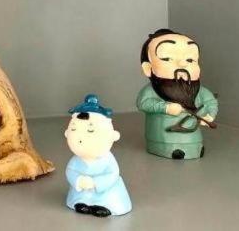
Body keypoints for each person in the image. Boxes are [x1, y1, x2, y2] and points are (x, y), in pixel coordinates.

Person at [137, 28, 218, 159]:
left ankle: (195, 147)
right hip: (161, 137)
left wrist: (210, 114)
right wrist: (165, 107)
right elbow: (143, 103)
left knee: (194, 146)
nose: (182, 64)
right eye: (167, 58)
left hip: (193, 136)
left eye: (190, 60)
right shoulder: (151, 90)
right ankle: (167, 149)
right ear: (148, 68)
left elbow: (210, 101)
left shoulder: (199, 91)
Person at [64, 94, 132, 217]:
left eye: (90, 130)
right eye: (74, 129)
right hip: (82, 192)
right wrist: (79, 181)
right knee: (80, 197)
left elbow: (112, 174)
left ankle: (104, 206)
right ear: (67, 133)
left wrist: (95, 183)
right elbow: (70, 171)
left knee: (108, 197)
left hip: (105, 192)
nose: (81, 139)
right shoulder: (76, 160)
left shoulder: (108, 160)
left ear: (113, 136)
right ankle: (80, 203)